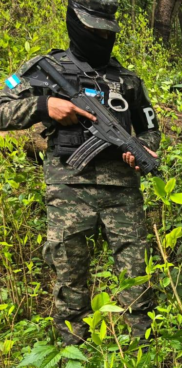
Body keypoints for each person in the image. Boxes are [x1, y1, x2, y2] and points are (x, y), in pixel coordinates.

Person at [0, 0, 161, 345]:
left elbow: (149, 128)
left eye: (107, 31)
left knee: (136, 274)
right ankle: (73, 355)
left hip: (122, 189)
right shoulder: (45, 68)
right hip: (68, 187)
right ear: (75, 23)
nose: (102, 37)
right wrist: (45, 106)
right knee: (69, 275)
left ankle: (144, 355)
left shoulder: (128, 80)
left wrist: (144, 148)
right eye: (94, 30)